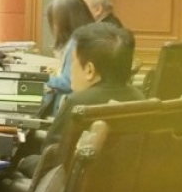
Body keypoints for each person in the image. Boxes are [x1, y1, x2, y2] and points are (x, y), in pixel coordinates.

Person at [42, 22, 144, 150]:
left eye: (73, 62)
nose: (71, 69)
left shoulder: (77, 103)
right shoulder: (139, 98)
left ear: (89, 70)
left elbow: (49, 152)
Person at [43, 0, 97, 114]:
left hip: (66, 108)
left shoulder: (75, 43)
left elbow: (68, 83)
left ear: (64, 22)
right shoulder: (92, 36)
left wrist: (41, 78)